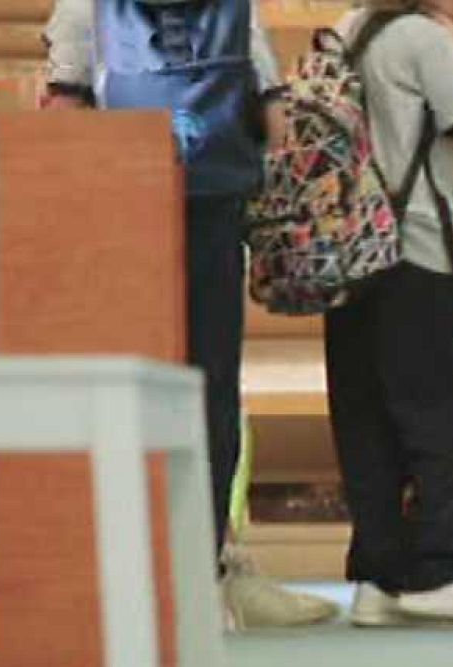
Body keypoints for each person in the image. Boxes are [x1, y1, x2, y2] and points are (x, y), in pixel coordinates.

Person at [44, 0, 338, 630]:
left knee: (126, 387)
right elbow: (275, 117)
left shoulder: (84, 6)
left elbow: (64, 108)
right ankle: (203, 571)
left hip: (119, 206)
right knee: (209, 387)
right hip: (212, 206)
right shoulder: (235, 8)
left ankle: (128, 574)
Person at [328, 0, 453, 629]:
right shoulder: (425, 38)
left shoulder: (344, 30)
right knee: (439, 415)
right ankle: (439, 570)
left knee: (367, 418)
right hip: (418, 247)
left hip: (349, 250)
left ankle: (377, 577)